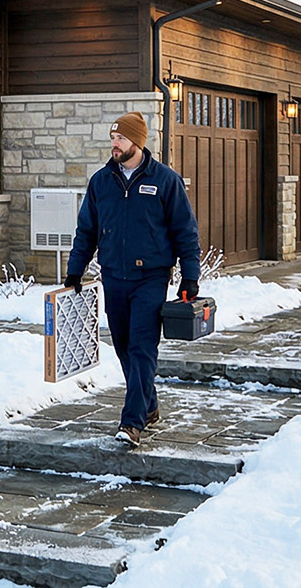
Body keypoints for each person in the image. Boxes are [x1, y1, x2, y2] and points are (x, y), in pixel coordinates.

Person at [62, 111, 201, 447]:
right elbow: (87, 231)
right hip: (114, 277)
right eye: (113, 138)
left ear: (137, 141)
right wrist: (75, 268)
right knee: (123, 345)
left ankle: (132, 421)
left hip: (150, 277)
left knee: (141, 347)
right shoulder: (101, 182)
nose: (115, 144)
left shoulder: (165, 181)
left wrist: (190, 277)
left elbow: (186, 232)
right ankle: (149, 405)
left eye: (120, 139)